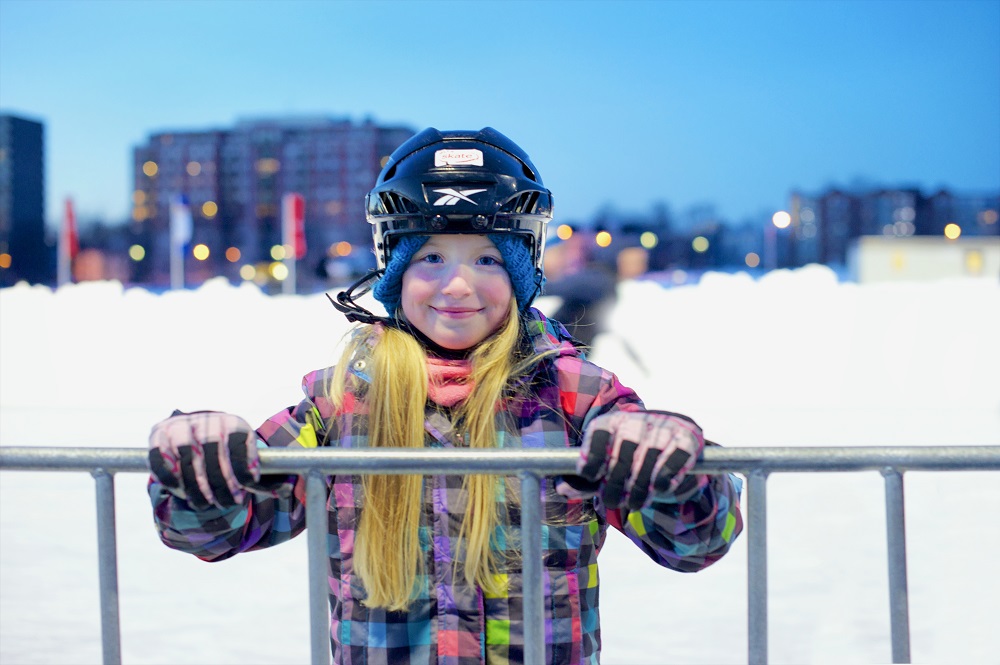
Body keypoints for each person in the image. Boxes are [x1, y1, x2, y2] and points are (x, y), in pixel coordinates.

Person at [147, 128, 744, 664]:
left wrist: (673, 465)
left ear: (521, 274)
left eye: (487, 258)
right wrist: (198, 464)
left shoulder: (576, 400)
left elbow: (695, 541)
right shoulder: (341, 406)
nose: (457, 285)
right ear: (394, 273)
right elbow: (221, 527)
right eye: (430, 256)